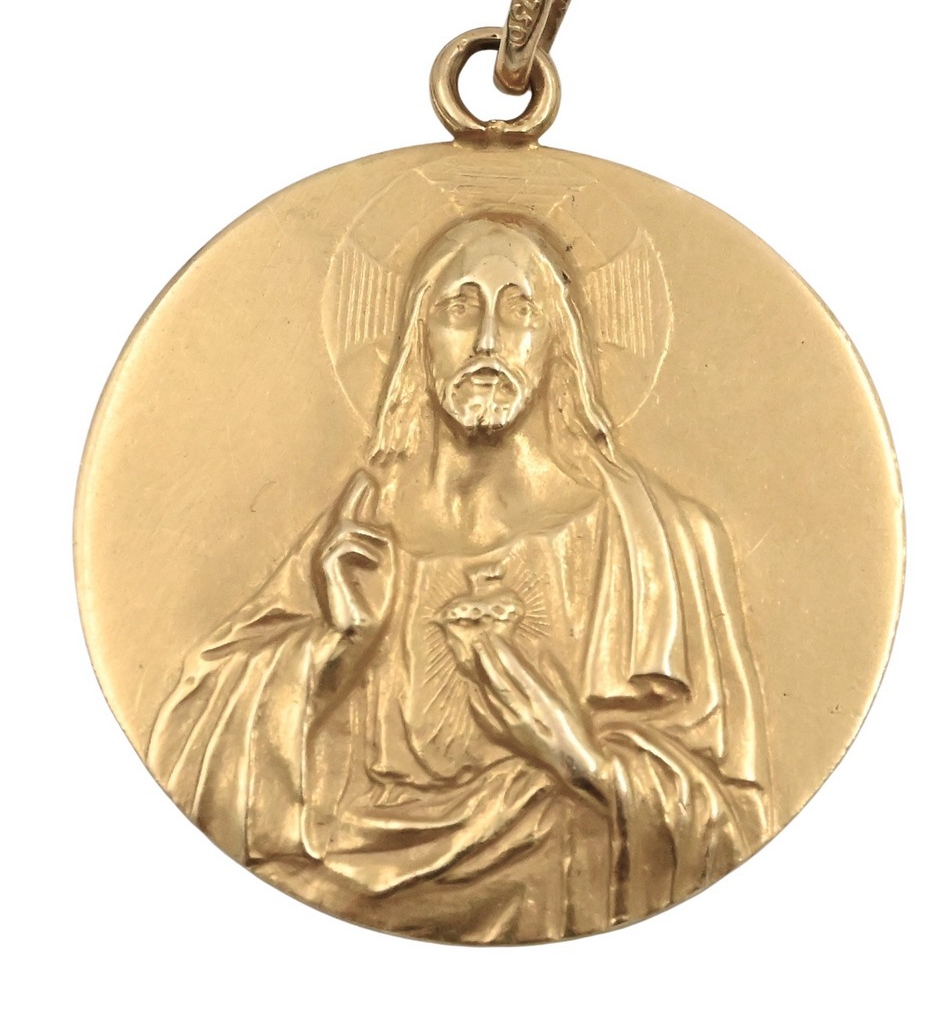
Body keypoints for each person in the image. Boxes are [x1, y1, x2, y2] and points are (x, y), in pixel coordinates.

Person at [149, 212, 771, 943]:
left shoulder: (662, 542)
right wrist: (336, 650)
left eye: (519, 310)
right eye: (460, 307)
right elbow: (195, 766)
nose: (487, 343)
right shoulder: (361, 530)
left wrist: (580, 760)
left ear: (559, 341)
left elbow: (739, 827)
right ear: (418, 340)